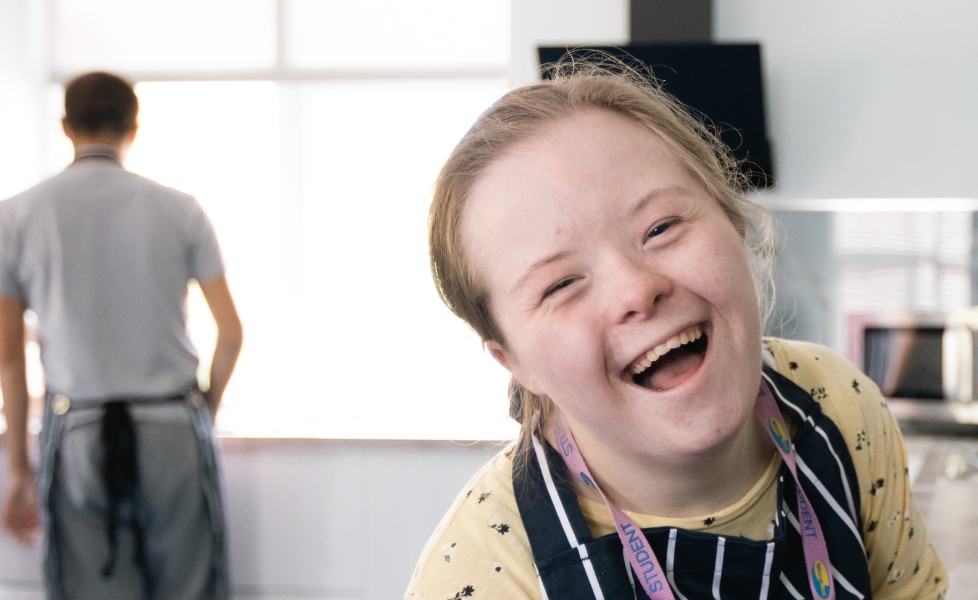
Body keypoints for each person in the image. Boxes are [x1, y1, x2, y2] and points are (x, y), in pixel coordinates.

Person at [406, 58, 947, 599]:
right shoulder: (482, 576)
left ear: (734, 223)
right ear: (516, 363)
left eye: (661, 227)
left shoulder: (840, 407)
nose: (637, 291)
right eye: (561, 284)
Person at [0, 71, 243, 600]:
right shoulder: (180, 208)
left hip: (78, 429)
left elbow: (7, 358)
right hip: (171, 423)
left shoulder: (13, 216)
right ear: (133, 128)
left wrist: (17, 471)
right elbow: (231, 332)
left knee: (92, 586)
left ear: (66, 126)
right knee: (190, 587)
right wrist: (200, 415)